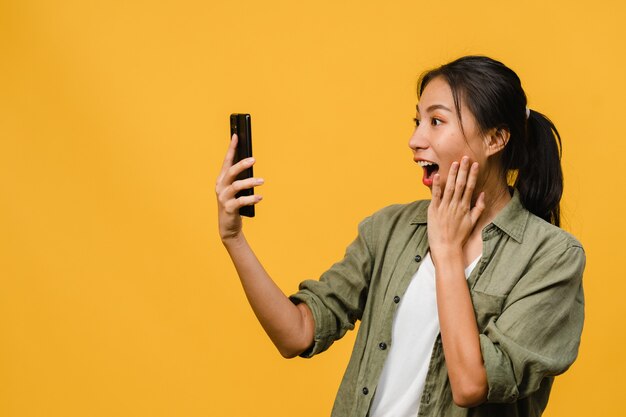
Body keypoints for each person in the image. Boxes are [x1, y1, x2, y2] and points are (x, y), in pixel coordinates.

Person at [215, 56, 585, 417]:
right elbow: (296, 334)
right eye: (417, 121)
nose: (415, 139)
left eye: (436, 121)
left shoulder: (552, 257)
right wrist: (234, 239)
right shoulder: (390, 228)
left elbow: (472, 384)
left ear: (495, 139)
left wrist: (446, 252)